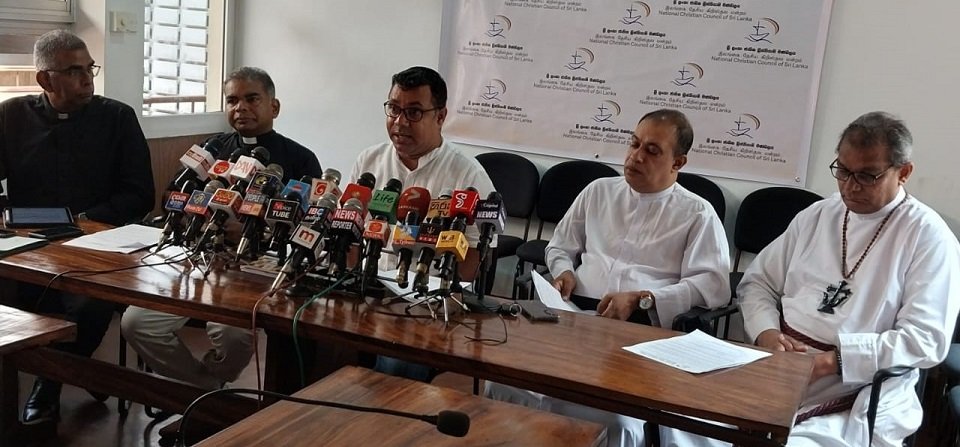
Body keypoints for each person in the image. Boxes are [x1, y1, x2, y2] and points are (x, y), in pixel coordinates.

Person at [662, 111, 960, 447]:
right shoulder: (819, 215)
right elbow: (757, 283)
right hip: (778, 367)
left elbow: (925, 339)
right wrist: (766, 332)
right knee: (674, 419)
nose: (850, 186)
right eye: (843, 171)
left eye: (867, 176)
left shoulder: (929, 238)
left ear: (903, 172)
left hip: (857, 386)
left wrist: (833, 362)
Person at [485, 109, 731, 447]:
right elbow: (559, 247)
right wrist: (564, 271)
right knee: (506, 381)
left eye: (652, 150)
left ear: (678, 162)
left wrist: (645, 299)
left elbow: (712, 286)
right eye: (634, 144)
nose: (636, 156)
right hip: (572, 319)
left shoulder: (697, 213)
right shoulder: (598, 191)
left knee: (612, 417)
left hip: (640, 332)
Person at [120, 67, 322, 391]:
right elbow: (172, 198)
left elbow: (309, 224)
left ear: (274, 106)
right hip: (196, 260)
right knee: (136, 322)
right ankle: (206, 390)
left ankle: (207, 392)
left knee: (233, 333)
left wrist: (255, 229)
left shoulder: (301, 159)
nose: (241, 107)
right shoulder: (210, 150)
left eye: (252, 99)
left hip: (259, 268)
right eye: (232, 100)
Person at [0, 29, 155, 424]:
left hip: (96, 244)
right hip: (28, 244)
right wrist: (5, 216)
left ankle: (49, 385)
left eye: (90, 68)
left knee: (89, 304)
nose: (87, 79)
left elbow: (140, 194)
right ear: (45, 79)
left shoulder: (117, 117)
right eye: (74, 71)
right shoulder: (11, 115)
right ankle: (79, 370)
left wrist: (85, 220)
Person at [349, 66, 496, 381]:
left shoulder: (468, 175)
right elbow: (351, 230)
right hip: (367, 287)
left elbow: (474, 259)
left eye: (414, 112)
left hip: (426, 303)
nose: (400, 122)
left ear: (440, 116)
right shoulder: (369, 162)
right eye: (393, 109)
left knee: (397, 365)